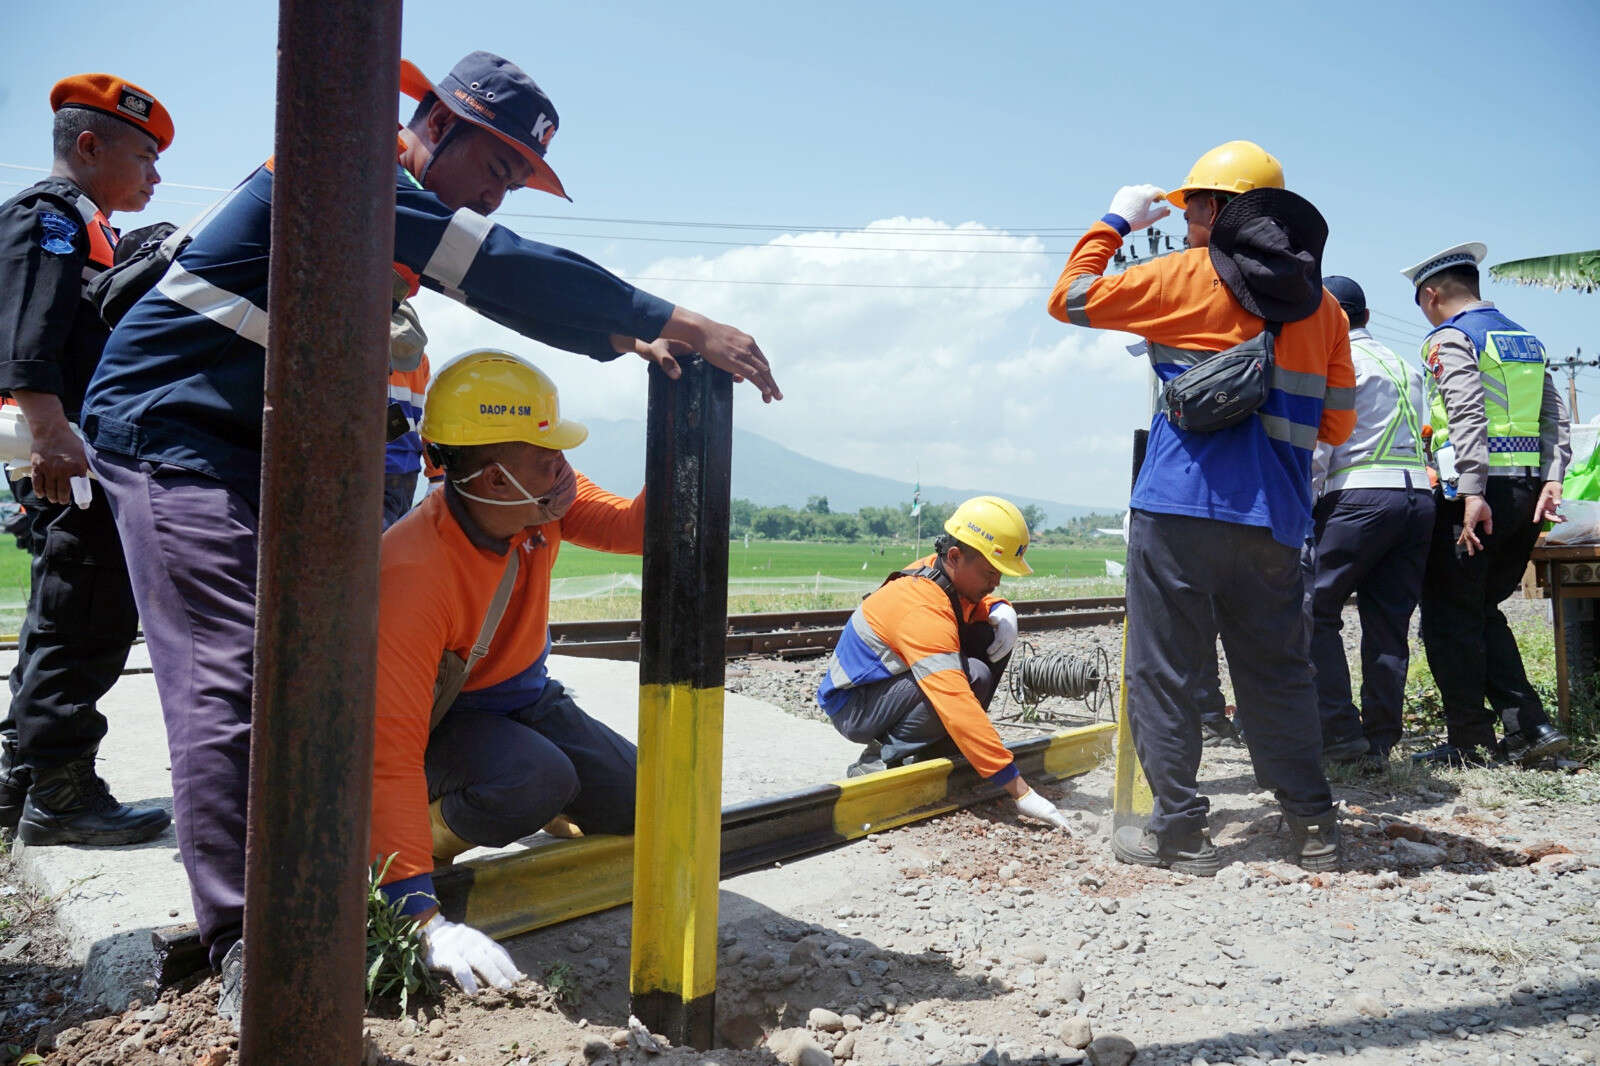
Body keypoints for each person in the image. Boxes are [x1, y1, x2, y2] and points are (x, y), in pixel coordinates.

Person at [77, 50, 779, 1009]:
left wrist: (623, 349)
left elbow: (479, 304)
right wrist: (675, 321)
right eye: (493, 170)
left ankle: (346, 862)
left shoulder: (391, 244)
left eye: (512, 183)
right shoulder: (340, 175)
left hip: (276, 453)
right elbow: (494, 268)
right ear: (434, 126)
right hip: (176, 431)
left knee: (330, 678)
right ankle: (257, 937)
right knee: (237, 673)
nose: (495, 199)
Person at [1047, 141, 1356, 875]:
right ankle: (1313, 827)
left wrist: (1113, 222)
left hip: (1177, 512)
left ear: (1220, 210)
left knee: (1166, 671)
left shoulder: (1178, 277)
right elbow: (1336, 427)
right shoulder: (1329, 310)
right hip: (1275, 522)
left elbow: (1070, 297)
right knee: (1279, 673)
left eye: (1192, 208)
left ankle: (1180, 831)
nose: (1186, 222)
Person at [370, 350, 645, 992]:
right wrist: (420, 916)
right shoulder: (411, 575)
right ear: (494, 480)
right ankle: (429, 836)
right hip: (443, 721)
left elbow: (635, 529)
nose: (565, 473)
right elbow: (388, 753)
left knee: (638, 799)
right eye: (549, 460)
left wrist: (690, 438)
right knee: (536, 777)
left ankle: (532, 795)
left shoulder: (539, 501)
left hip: (524, 698)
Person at [0, 74, 173, 846]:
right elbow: (32, 330)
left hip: (69, 448)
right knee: (87, 615)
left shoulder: (89, 227)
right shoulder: (55, 220)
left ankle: (21, 780)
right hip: (71, 453)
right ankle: (63, 797)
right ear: (90, 145)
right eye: (144, 156)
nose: (154, 175)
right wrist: (50, 432)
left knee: (58, 615)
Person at [1403, 243, 1570, 766]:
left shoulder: (1451, 337)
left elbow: (1466, 411)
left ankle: (1469, 742)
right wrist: (1553, 477)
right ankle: (1530, 727)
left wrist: (1472, 490)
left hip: (1472, 499)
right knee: (1480, 609)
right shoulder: (1523, 338)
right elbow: (1553, 415)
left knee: (1448, 615)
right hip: (1524, 493)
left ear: (1432, 295)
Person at [815, 496, 1073, 832]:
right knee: (967, 678)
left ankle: (936, 746)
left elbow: (966, 604)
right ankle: (881, 758)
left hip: (885, 689)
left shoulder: (943, 573)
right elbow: (954, 700)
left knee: (985, 639)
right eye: (990, 573)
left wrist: (998, 606)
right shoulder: (920, 608)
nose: (995, 582)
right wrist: (1019, 790)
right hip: (855, 706)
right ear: (954, 556)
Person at [1307, 276, 1434, 771]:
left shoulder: (1339, 361)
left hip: (1359, 496)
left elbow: (1322, 446)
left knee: (1315, 610)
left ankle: (1338, 731)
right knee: (1388, 623)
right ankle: (1381, 740)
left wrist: (1303, 499)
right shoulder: (1402, 362)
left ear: (1332, 316)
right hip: (1416, 499)